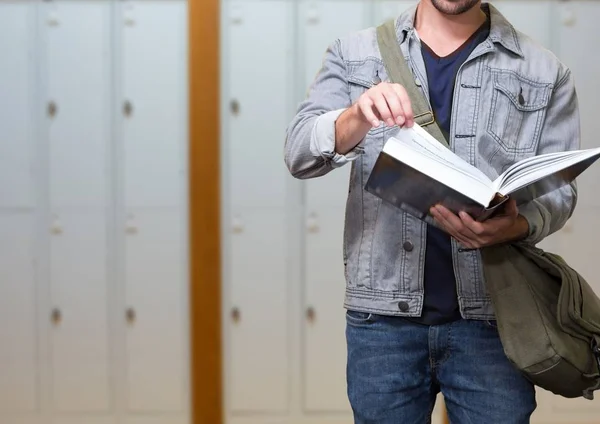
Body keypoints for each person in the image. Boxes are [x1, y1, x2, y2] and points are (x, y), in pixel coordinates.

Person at [284, 0, 580, 422]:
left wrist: (515, 225)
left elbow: (560, 192)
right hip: (382, 323)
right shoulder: (354, 55)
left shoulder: (545, 71)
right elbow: (299, 153)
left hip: (493, 322)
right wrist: (356, 116)